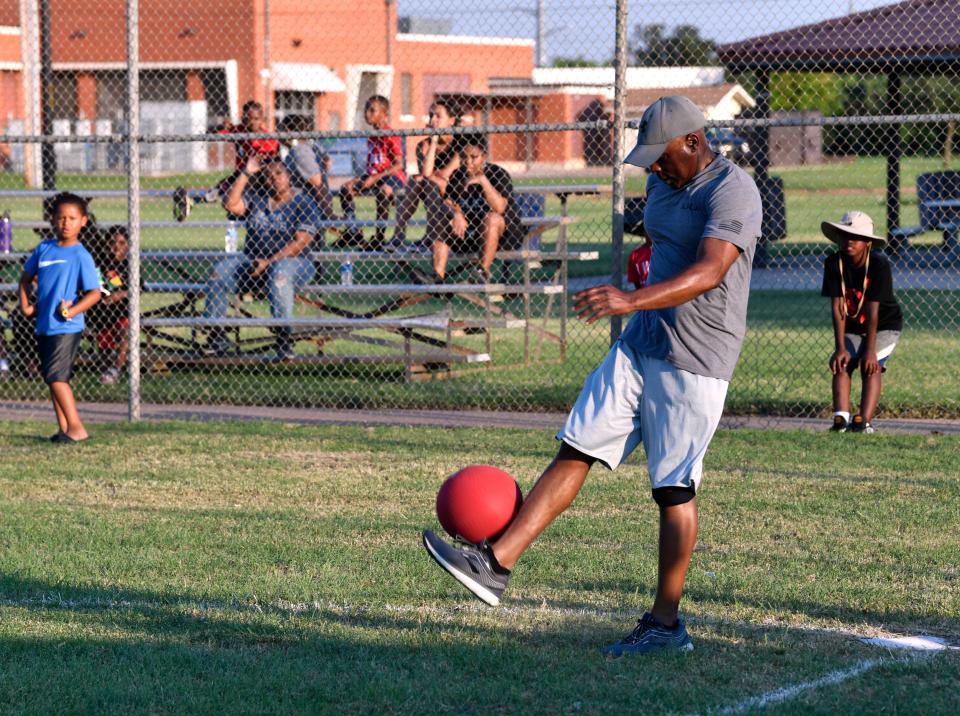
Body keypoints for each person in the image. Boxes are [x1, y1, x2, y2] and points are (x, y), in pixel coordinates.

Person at [422, 96, 762, 656]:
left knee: (673, 488)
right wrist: (639, 306)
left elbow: (710, 270)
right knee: (576, 445)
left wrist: (630, 299)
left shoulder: (733, 191)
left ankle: (665, 624)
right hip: (642, 342)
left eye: (661, 156)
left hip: (696, 356)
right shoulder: (661, 184)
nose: (652, 168)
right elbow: (664, 247)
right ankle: (494, 564)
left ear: (695, 143)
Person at [204, 154, 318, 359]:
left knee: (279, 273)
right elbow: (231, 205)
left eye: (278, 173)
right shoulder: (258, 198)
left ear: (289, 176)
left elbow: (300, 243)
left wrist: (269, 262)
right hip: (253, 261)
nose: (274, 178)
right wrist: (246, 173)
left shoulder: (304, 202)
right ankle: (216, 334)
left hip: (296, 263)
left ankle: (284, 339)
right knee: (218, 273)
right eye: (268, 175)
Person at [18, 192, 102, 443]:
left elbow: (94, 293)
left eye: (72, 218)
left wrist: (72, 311)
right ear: (52, 220)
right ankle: (64, 428)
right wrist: (26, 306)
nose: (66, 223)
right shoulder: (44, 249)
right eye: (61, 217)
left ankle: (77, 428)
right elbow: (24, 280)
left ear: (83, 221)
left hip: (66, 327)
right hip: (44, 325)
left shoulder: (80, 255)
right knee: (51, 376)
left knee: (56, 377)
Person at [820, 211, 903, 434]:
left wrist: (869, 351)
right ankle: (840, 419)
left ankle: (863, 422)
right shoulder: (833, 263)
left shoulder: (878, 265)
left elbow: (873, 312)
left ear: (867, 242)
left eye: (854, 237)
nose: (848, 241)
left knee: (871, 366)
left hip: (884, 325)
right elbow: (837, 307)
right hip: (853, 326)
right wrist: (840, 348)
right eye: (844, 236)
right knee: (841, 363)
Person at [426, 134, 525, 283]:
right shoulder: (457, 175)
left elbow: (500, 208)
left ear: (484, 156)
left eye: (474, 157)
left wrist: (483, 181)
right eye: (464, 157)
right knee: (440, 217)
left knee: (491, 218)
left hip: (503, 238)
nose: (468, 162)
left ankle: (482, 271)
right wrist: (456, 213)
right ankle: (438, 276)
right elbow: (447, 202)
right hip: (469, 235)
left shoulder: (498, 174)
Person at [174, 100, 280, 220]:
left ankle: (195, 202)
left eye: (255, 119)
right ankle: (192, 202)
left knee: (229, 190)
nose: (251, 122)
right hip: (240, 173)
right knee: (223, 188)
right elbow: (211, 134)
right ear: (242, 118)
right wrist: (220, 127)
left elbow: (268, 164)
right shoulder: (240, 130)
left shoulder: (268, 139)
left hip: (259, 178)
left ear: (262, 119)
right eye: (247, 119)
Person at [385, 99, 463, 253]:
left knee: (420, 180)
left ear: (451, 121)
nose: (432, 120)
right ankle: (403, 235)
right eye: (431, 115)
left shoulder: (461, 144)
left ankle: (424, 236)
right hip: (433, 193)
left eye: (438, 116)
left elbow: (445, 177)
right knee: (420, 181)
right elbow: (428, 176)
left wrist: (432, 175)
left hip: (456, 198)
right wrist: (433, 141)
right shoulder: (423, 145)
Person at [337, 95, 406, 250]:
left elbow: (398, 164)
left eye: (372, 110)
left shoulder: (389, 134)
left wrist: (375, 178)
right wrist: (358, 180)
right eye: (366, 109)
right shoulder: (372, 137)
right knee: (345, 188)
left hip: (391, 176)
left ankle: (378, 238)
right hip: (374, 176)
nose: (367, 114)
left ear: (384, 114)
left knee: (383, 192)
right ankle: (353, 230)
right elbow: (372, 167)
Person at [277, 113, 337, 253]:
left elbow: (316, 181)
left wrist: (328, 213)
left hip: (303, 209)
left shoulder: (300, 151)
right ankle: (316, 273)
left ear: (288, 131)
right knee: (314, 251)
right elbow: (328, 162)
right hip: (308, 206)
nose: (278, 135)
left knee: (303, 250)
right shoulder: (310, 145)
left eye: (281, 130)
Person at [88, 226, 133, 385]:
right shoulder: (100, 263)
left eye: (121, 243)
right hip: (102, 314)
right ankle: (107, 371)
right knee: (104, 351)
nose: (117, 247)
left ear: (128, 245)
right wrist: (102, 293)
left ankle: (116, 370)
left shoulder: (130, 264)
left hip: (122, 313)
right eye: (113, 242)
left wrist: (120, 294)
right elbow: (95, 284)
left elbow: (138, 287)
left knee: (124, 334)